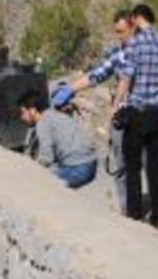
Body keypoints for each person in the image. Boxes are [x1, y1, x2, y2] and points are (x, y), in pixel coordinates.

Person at [51, 11, 137, 211]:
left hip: (142, 115)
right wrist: (70, 89)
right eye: (116, 32)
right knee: (121, 166)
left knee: (142, 166)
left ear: (133, 28)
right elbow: (96, 75)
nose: (118, 36)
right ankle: (128, 211)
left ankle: (150, 211)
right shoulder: (118, 54)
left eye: (121, 32)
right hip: (121, 116)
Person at [114, 4, 158, 231]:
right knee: (156, 168)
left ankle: (134, 216)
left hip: (137, 113)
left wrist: (115, 106)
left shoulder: (135, 44)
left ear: (136, 18)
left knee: (132, 167)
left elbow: (125, 79)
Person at [18, 92, 98, 189]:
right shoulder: (53, 114)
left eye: (23, 113)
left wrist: (28, 169)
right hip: (91, 164)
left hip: (79, 168)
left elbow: (46, 158)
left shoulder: (43, 123)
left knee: (38, 182)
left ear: (33, 111)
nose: (21, 117)